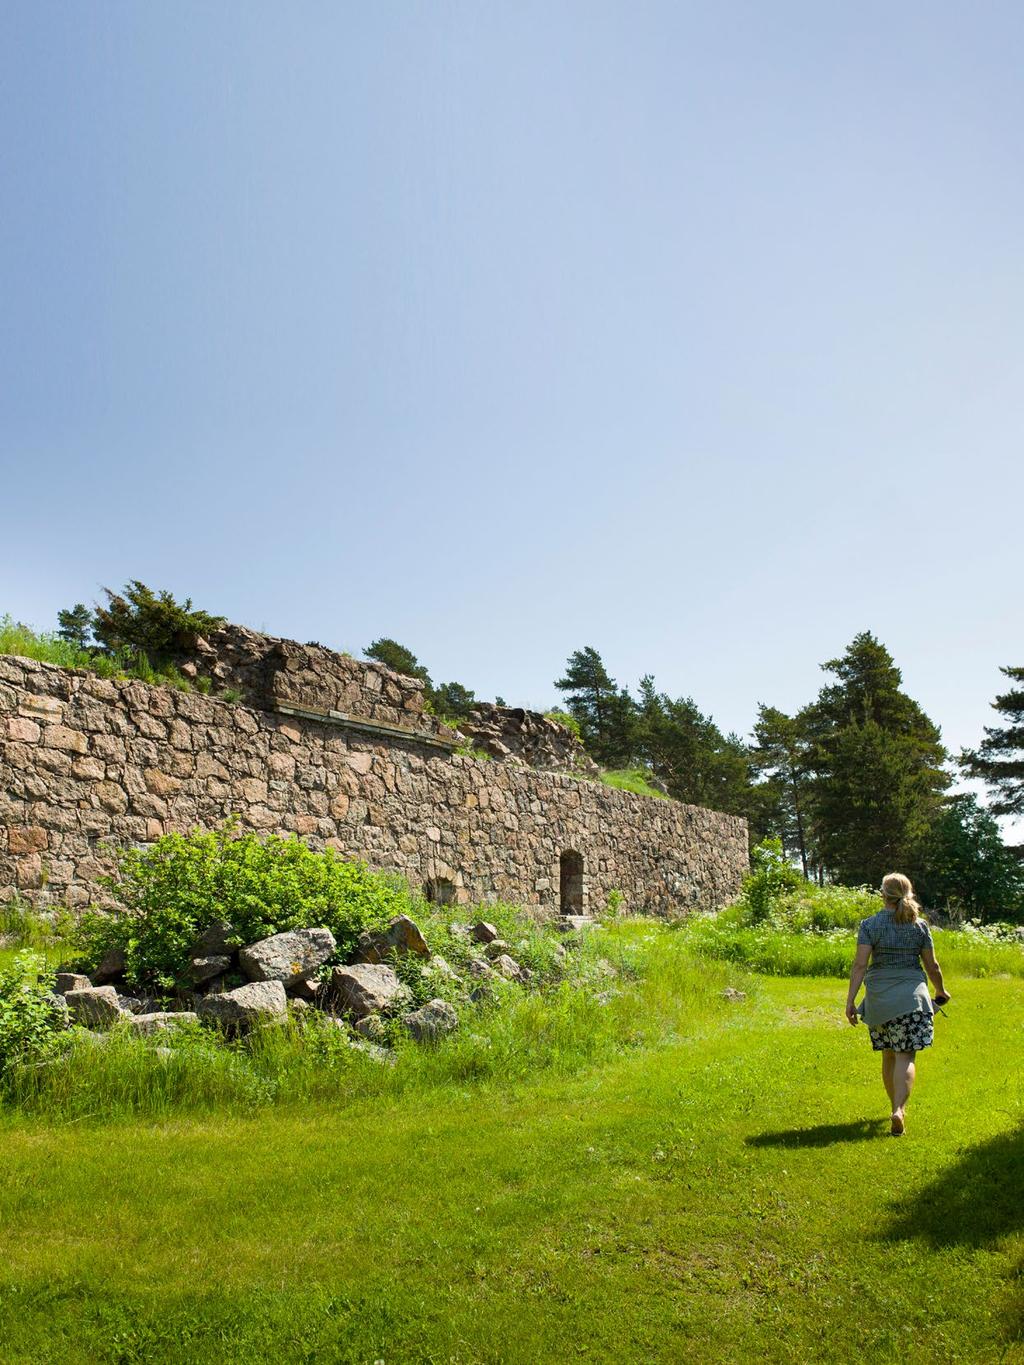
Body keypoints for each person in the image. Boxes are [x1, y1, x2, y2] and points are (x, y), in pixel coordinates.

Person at [845, 872, 950, 1136]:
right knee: (906, 1055)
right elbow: (932, 965)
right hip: (911, 999)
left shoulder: (870, 924)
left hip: (879, 1000)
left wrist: (851, 1001)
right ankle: (898, 1110)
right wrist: (940, 990)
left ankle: (894, 1108)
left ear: (883, 894)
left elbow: (860, 965)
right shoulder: (920, 926)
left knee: (889, 1054)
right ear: (909, 892)